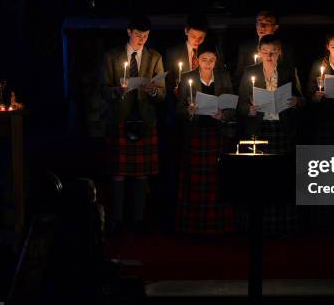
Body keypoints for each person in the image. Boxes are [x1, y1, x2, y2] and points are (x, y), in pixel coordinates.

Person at [101, 15, 165, 232]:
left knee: (141, 172)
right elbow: (103, 89)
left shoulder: (154, 57)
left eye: (146, 36)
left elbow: (162, 94)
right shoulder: (112, 56)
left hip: (144, 120)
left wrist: (154, 90)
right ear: (129, 31)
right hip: (120, 118)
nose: (142, 40)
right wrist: (117, 91)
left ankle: (138, 221)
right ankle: (116, 220)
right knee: (117, 172)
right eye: (138, 35)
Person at [238, 34, 304, 236]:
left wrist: (296, 101)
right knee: (259, 180)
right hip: (258, 129)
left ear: (279, 52)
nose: (269, 55)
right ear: (259, 52)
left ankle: (282, 226)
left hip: (281, 130)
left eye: (273, 52)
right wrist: (247, 109)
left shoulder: (288, 71)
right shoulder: (250, 72)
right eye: (265, 52)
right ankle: (258, 226)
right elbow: (240, 103)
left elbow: (302, 99)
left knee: (281, 178)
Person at [175, 42, 236, 235]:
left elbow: (232, 105)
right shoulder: (188, 78)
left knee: (216, 180)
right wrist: (189, 111)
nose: (208, 64)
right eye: (204, 60)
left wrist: (224, 115)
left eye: (211, 60)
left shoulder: (224, 77)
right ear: (197, 61)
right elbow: (178, 110)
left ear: (216, 61)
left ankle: (217, 226)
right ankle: (193, 226)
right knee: (195, 182)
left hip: (217, 135)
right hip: (195, 135)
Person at [234, 11, 295, 87]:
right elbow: (239, 75)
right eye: (259, 23)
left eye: (267, 23)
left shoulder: (285, 48)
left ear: (275, 27)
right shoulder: (245, 47)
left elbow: (292, 77)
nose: (262, 27)